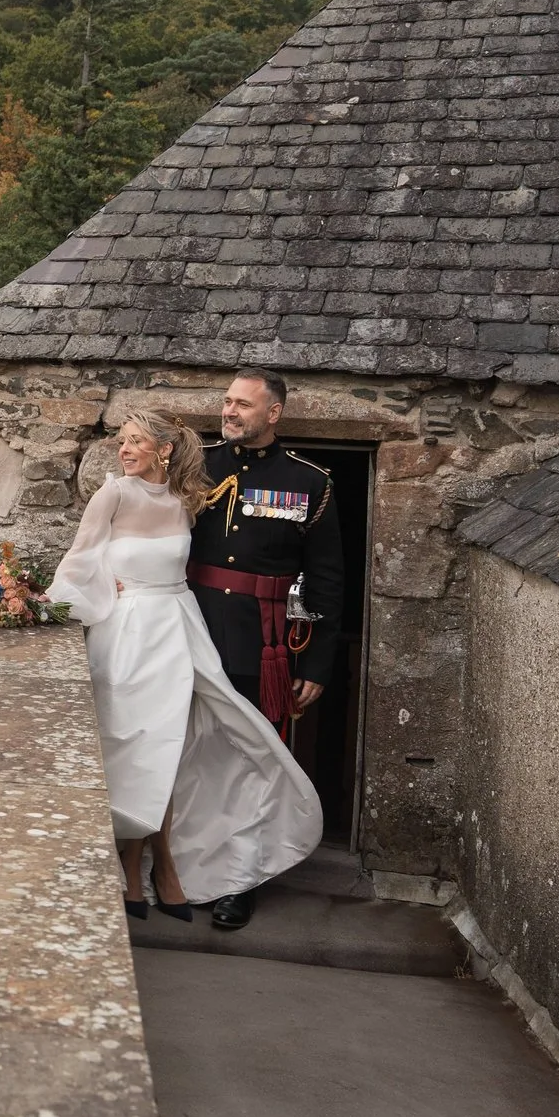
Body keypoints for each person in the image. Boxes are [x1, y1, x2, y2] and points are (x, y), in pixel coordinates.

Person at [47, 411, 322, 932]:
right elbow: (79, 564)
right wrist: (100, 596)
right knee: (131, 745)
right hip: (126, 633)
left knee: (171, 746)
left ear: (165, 450)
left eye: (136, 442)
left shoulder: (187, 501)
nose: (124, 451)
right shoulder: (112, 494)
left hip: (179, 628)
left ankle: (161, 866)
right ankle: (140, 871)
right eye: (122, 441)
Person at [187, 369, 347, 929]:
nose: (229, 411)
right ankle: (186, 869)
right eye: (227, 401)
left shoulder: (309, 482)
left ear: (273, 413)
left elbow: (327, 580)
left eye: (243, 404)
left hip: (265, 642)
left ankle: (240, 881)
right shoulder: (194, 464)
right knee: (193, 756)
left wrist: (318, 663)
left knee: (254, 761)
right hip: (190, 629)